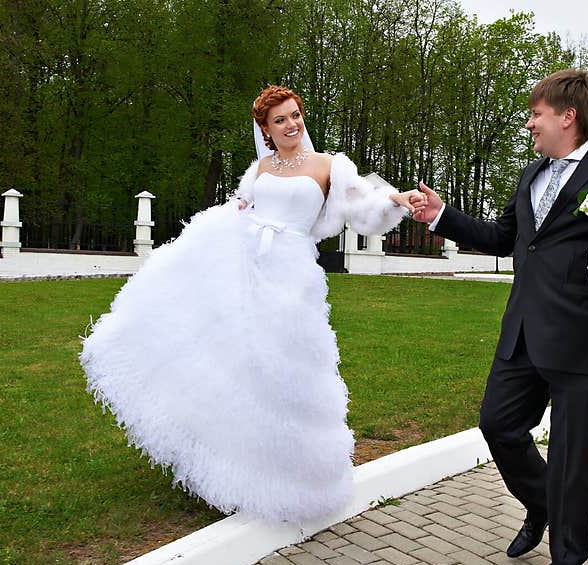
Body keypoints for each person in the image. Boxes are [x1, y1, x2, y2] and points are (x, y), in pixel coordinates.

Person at [80, 85, 419, 524]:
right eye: (280, 120)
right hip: (246, 267)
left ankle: (295, 477)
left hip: (291, 275)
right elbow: (245, 205)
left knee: (286, 371)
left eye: (295, 115)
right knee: (240, 365)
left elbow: (363, 205)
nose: (292, 124)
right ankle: (238, 470)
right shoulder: (260, 167)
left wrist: (397, 199)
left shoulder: (330, 166)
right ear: (265, 129)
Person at [410, 69, 588, 565]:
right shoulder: (531, 175)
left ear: (568, 116)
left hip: (583, 340)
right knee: (497, 425)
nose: (529, 125)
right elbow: (506, 237)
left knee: (572, 457)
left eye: (536, 115)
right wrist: (442, 216)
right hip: (523, 332)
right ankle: (542, 504)